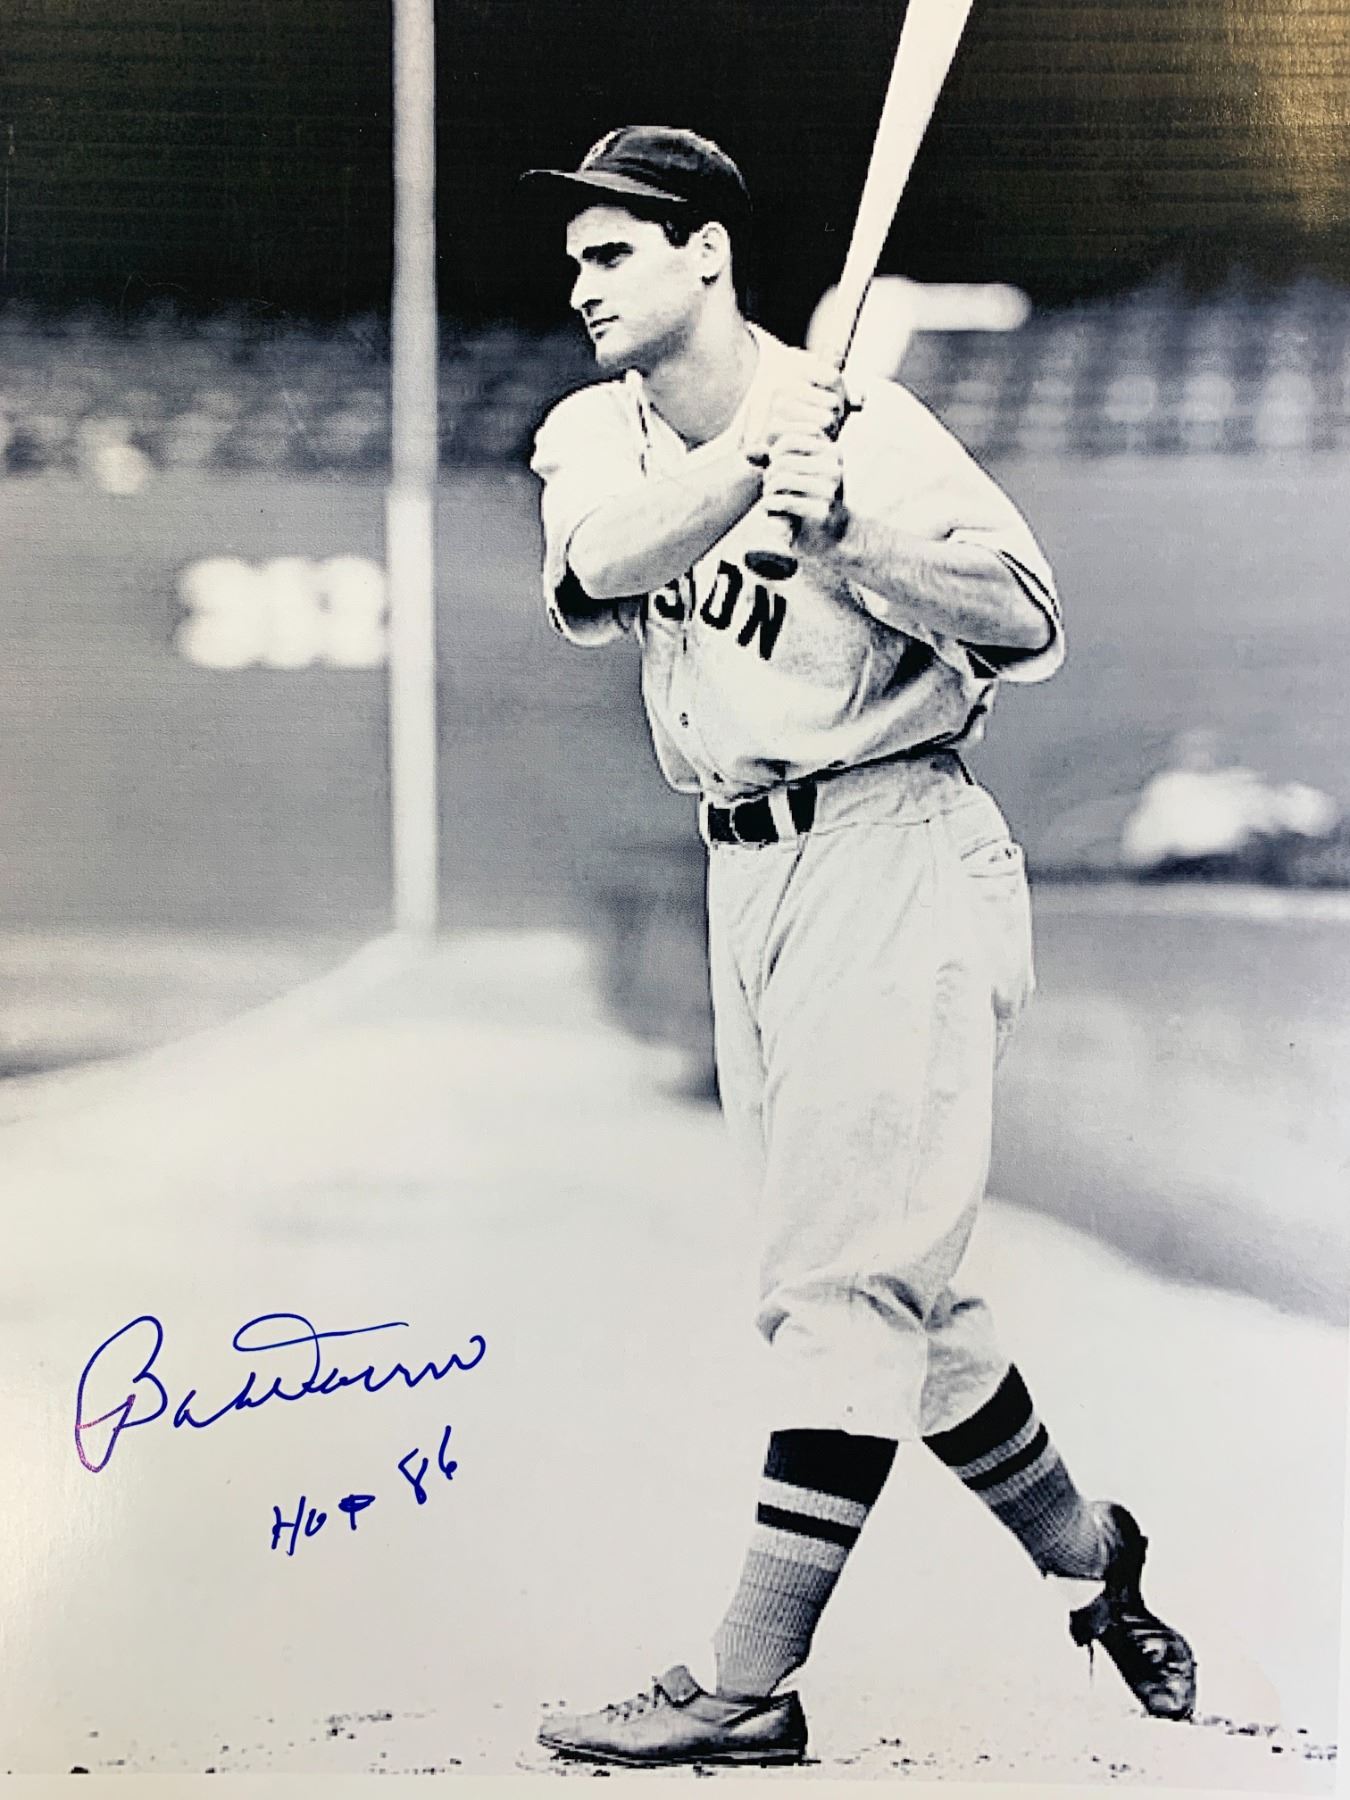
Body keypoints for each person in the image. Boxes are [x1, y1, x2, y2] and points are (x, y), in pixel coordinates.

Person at [521, 125, 1196, 1769]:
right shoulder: (595, 431)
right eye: (574, 261)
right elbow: (601, 565)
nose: (581, 286)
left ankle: (744, 1680)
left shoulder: (870, 431)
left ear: (705, 255)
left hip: (894, 846)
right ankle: (1090, 1558)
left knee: (841, 1292)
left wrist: (845, 539)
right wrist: (753, 471)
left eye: (612, 253)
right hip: (745, 876)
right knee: (897, 1291)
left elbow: (1025, 615)